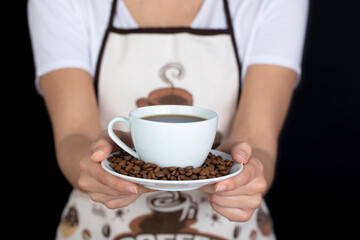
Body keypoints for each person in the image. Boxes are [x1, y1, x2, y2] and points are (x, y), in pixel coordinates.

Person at [28, 0, 308, 239]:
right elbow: (73, 134)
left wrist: (244, 173)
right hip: (98, 224)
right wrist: (94, 164)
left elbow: (259, 141)